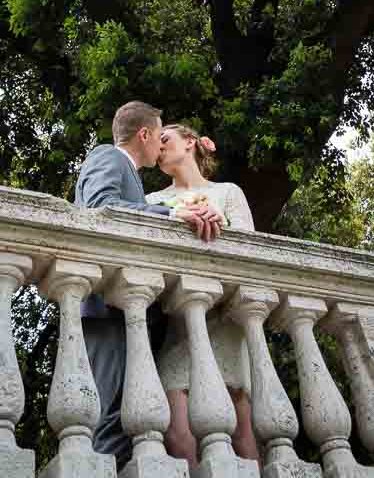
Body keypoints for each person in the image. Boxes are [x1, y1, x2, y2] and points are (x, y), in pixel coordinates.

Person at [74, 101, 225, 471]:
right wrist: (173, 214)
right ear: (144, 134)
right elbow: (102, 208)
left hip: (127, 310)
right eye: (159, 135)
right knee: (109, 416)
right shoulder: (107, 157)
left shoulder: (134, 179)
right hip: (105, 308)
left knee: (127, 417)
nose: (161, 145)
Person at [145, 123, 260, 470]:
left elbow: (255, 249)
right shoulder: (153, 201)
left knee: (243, 435)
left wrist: (220, 221)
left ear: (190, 142)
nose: (159, 147)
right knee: (179, 436)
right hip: (179, 326)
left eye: (165, 139)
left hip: (226, 323)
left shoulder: (227, 192)